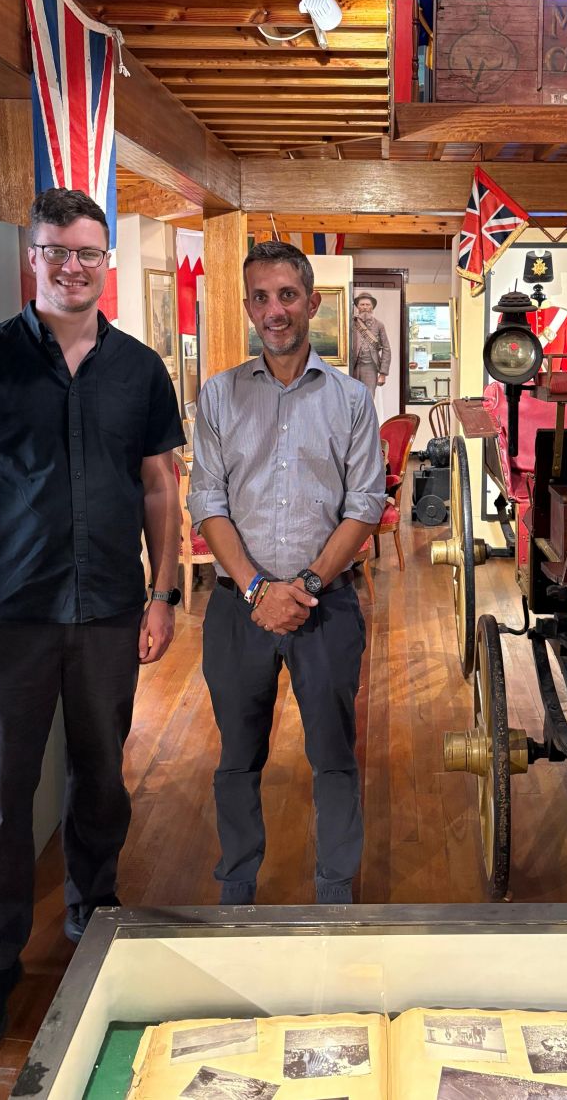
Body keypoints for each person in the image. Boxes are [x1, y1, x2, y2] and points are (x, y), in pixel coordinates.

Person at [0, 187, 184, 1054]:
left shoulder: (141, 369)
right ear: (31, 257)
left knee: (103, 778)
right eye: (56, 250)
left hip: (108, 607)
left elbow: (158, 484)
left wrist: (163, 591)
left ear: (105, 262)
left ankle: (91, 922)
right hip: (10, 616)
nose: (72, 266)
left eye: (87, 252)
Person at [190, 241, 384, 906]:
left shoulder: (352, 400)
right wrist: (254, 588)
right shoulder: (218, 396)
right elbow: (206, 499)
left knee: (333, 753)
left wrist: (302, 585)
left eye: (288, 295)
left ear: (313, 303)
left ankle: (335, 889)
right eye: (262, 297)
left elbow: (365, 504)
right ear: (248, 306)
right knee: (237, 756)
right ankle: (236, 885)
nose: (275, 310)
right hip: (235, 607)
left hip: (326, 605)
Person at [350, 292, 391, 396]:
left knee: (368, 398)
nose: (365, 307)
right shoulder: (351, 323)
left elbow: (386, 349)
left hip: (370, 368)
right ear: (357, 307)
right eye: (362, 304)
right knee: (352, 398)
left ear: (372, 307)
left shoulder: (379, 325)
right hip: (353, 366)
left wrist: (383, 373)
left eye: (367, 305)